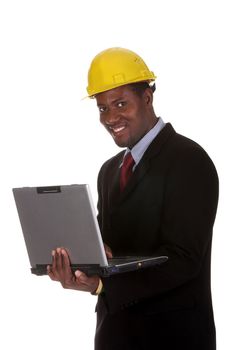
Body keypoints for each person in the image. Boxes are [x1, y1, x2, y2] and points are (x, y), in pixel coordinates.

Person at [47, 47, 219, 350]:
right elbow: (109, 249)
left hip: (172, 338)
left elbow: (184, 260)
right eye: (102, 108)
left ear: (148, 98)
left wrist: (104, 286)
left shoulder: (189, 160)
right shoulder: (110, 171)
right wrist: (83, 263)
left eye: (120, 103)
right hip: (115, 336)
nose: (111, 117)